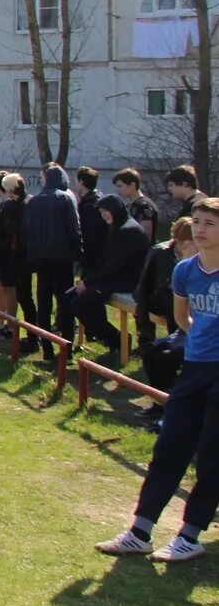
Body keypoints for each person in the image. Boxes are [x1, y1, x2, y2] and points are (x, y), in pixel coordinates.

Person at [96, 196, 219, 562]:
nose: (199, 229)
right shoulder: (185, 270)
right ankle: (140, 531)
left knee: (212, 455)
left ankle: (190, 534)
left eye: (209, 223)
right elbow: (183, 318)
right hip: (195, 369)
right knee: (169, 447)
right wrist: (201, 339)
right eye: (196, 221)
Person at [61, 195, 151, 353]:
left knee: (79, 303)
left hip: (127, 280)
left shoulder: (128, 230)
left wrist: (88, 282)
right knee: (69, 297)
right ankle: (73, 344)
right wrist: (88, 280)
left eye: (106, 211)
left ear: (115, 209)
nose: (104, 215)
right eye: (101, 212)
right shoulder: (117, 226)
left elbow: (115, 265)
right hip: (113, 277)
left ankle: (117, 339)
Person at [22, 164, 82, 360]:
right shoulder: (65, 198)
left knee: (44, 301)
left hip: (41, 258)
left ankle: (46, 347)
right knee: (65, 302)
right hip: (62, 257)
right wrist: (78, 253)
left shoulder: (34, 201)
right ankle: (67, 347)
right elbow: (74, 227)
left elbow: (27, 230)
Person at [137, 217, 195, 347]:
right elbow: (143, 289)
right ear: (179, 240)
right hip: (161, 299)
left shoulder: (202, 255)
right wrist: (145, 327)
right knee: (173, 302)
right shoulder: (160, 253)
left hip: (190, 300)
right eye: (191, 240)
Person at [0, 173, 33, 338]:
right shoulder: (15, 204)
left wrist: (1, 248)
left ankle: (11, 326)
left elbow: (11, 231)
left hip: (11, 255)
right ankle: (7, 325)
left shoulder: (16, 206)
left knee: (12, 291)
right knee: (7, 289)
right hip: (9, 254)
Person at [75, 167, 108, 280]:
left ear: (81, 182)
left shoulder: (90, 205)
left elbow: (90, 234)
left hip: (93, 257)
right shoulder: (97, 199)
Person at [114, 168, 160, 243]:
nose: (117, 190)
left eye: (120, 186)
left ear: (132, 184)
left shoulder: (144, 206)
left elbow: (146, 237)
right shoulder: (131, 205)